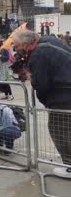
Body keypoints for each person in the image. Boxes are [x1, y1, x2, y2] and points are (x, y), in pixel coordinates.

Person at [13, 30, 71, 178]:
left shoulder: (38, 54)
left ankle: (69, 165)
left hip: (63, 97)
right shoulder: (50, 41)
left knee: (59, 129)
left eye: (17, 46)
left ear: (26, 44)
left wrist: (30, 76)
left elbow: (41, 84)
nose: (16, 50)